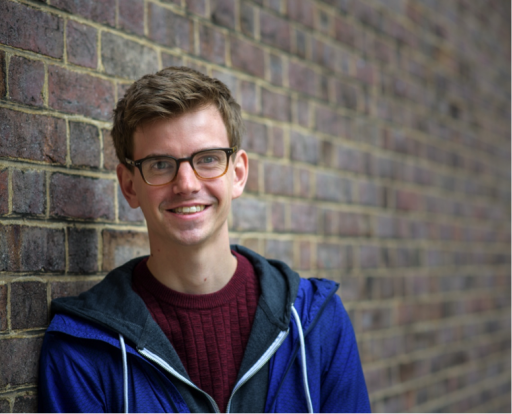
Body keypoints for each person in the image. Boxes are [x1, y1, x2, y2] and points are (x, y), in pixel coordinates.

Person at [39, 67, 371, 413]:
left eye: (208, 159)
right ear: (129, 185)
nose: (186, 184)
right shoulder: (82, 347)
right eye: (160, 164)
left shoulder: (318, 323)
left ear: (238, 174)